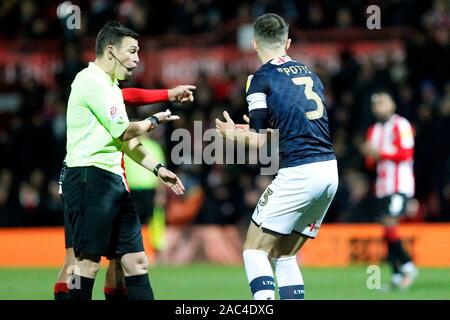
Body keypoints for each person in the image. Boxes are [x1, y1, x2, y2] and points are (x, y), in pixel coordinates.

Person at [215, 13, 338, 300]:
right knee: (284, 255)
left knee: (254, 250)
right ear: (288, 42)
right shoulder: (310, 73)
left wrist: (232, 134)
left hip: (299, 172)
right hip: (329, 172)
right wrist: (264, 127)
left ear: (254, 43)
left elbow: (258, 143)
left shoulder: (260, 78)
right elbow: (301, 128)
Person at [61, 21, 185, 300]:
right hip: (87, 178)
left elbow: (124, 142)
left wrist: (158, 168)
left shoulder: (111, 86)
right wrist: (154, 119)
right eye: (132, 51)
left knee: (136, 261)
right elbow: (126, 131)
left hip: (113, 181)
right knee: (87, 264)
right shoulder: (89, 81)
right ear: (110, 51)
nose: (137, 59)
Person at [361, 91, 418, 290]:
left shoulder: (401, 124)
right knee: (386, 229)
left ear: (392, 105)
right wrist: (368, 154)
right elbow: (370, 163)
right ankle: (396, 275)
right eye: (376, 105)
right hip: (382, 187)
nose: (379, 108)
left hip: (400, 184)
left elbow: (406, 153)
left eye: (383, 103)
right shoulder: (373, 130)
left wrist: (379, 153)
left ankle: (408, 265)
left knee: (389, 222)